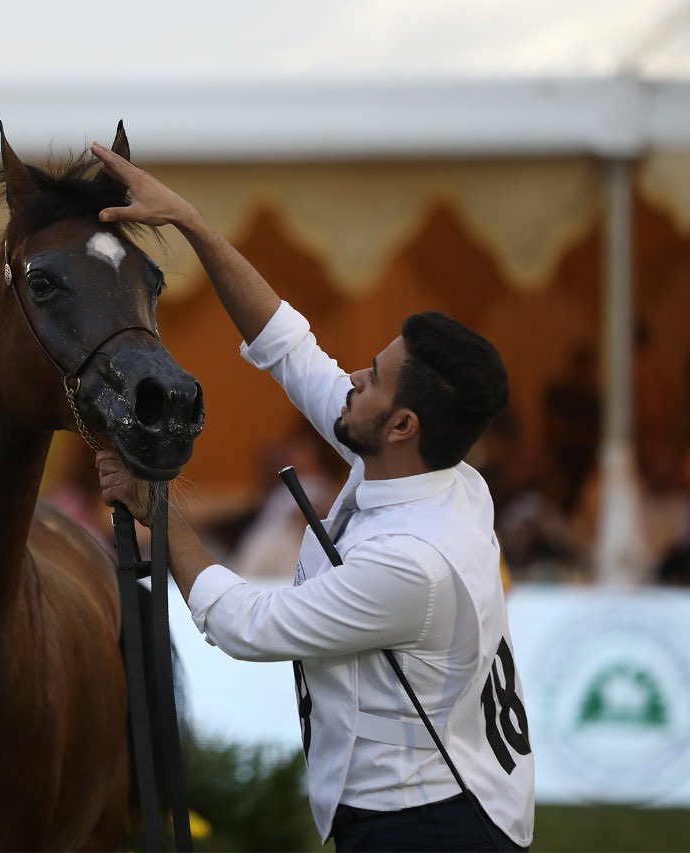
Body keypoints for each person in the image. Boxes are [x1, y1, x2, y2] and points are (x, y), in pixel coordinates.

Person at [89, 141, 534, 852]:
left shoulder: (414, 563)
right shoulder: (432, 473)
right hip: (432, 804)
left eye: (376, 375)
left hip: (425, 826)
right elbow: (291, 351)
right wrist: (192, 225)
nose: (353, 375)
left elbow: (246, 623)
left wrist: (158, 509)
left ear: (402, 423)